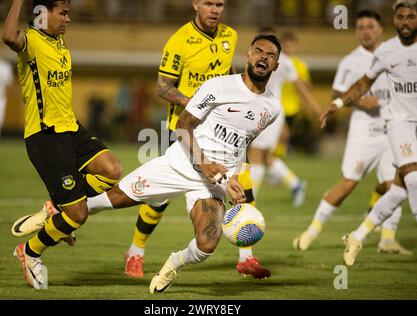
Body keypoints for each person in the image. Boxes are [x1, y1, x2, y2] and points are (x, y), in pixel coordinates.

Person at [15, 33, 281, 291]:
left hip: (214, 182)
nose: (264, 57)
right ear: (248, 54)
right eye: (259, 50)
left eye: (271, 55)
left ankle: (173, 264)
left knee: (207, 244)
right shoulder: (219, 86)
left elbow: (242, 143)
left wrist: (234, 176)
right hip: (182, 163)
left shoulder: (271, 108)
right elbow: (183, 125)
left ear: (276, 65)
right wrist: (204, 163)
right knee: (106, 202)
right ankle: (51, 219)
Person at [123, 0, 262, 279]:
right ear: (195, 4)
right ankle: (135, 252)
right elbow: (163, 87)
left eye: (220, 4)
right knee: (159, 200)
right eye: (208, 3)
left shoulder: (230, 36)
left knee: (242, 184)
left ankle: (246, 257)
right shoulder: (179, 41)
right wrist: (197, 103)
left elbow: (226, 78)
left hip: (222, 132)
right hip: (183, 130)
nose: (215, 9)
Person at [3, 0, 122, 289]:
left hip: (72, 129)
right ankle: (30, 252)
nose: (68, 19)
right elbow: (9, 36)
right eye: (64, 13)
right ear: (43, 14)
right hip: (45, 136)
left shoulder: (58, 41)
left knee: (111, 170)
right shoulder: (30, 41)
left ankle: (54, 206)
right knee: (78, 215)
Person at [293, 10, 411, 255]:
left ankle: (387, 239)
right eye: (360, 27)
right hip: (363, 133)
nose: (365, 31)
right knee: (347, 185)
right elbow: (337, 94)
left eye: (370, 26)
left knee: (394, 185)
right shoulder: (350, 61)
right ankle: (311, 232)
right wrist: (361, 102)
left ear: (380, 29)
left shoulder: (394, 53)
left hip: (392, 132)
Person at [319, 0, 417, 266]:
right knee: (414, 181)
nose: (406, 22)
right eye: (401, 17)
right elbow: (363, 83)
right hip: (399, 125)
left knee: (398, 190)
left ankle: (358, 235)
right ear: (394, 21)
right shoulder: (387, 51)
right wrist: (338, 103)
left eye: (411, 16)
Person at [249, 27, 321, 206]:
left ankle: (249, 203)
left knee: (256, 154)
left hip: (270, 112)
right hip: (260, 111)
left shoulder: (285, 62)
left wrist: (316, 110)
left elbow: (301, 87)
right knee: (264, 157)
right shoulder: (254, 59)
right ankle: (295, 184)